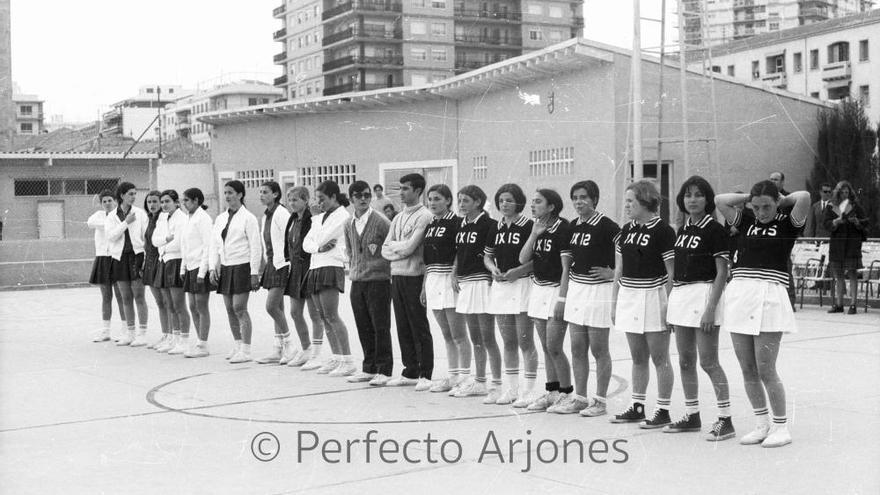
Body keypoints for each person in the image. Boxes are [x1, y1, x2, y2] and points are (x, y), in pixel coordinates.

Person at [716, 180, 811, 448]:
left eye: (766, 206)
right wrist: (749, 196)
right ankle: (761, 424)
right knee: (747, 368)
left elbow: (804, 196)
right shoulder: (745, 220)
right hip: (740, 296)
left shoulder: (787, 223)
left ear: (776, 204)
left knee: (766, 368)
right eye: (756, 207)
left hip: (770, 296)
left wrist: (781, 200)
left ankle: (781, 427)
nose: (760, 212)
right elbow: (720, 201)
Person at [665, 176, 734, 441]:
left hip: (703, 294)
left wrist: (710, 308)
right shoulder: (682, 230)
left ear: (707, 199)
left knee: (708, 361)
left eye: (698, 195)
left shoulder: (714, 230)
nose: (692, 200)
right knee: (684, 360)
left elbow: (721, 273)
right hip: (681, 296)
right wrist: (670, 302)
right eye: (687, 195)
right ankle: (692, 415)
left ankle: (725, 419)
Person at [610, 180, 676, 429]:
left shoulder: (664, 231)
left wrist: (668, 305)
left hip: (654, 296)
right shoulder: (625, 231)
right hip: (629, 296)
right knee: (638, 358)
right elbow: (619, 269)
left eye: (630, 201)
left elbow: (672, 272)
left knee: (660, 358)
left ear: (646, 201)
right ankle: (637, 407)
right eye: (626, 201)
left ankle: (663, 410)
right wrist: (615, 302)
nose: (626, 206)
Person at [561, 181, 619, 417]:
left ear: (594, 199)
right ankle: (580, 398)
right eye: (575, 197)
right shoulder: (572, 226)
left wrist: (613, 273)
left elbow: (630, 258)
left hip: (599, 292)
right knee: (577, 348)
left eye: (584, 197)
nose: (579, 202)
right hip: (577, 290)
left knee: (598, 349)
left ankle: (601, 401)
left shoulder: (608, 226)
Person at [519, 188, 574, 412]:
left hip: (556, 290)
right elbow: (523, 258)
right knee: (545, 346)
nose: (533, 205)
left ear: (551, 206)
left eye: (538, 202)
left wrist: (562, 298)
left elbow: (566, 268)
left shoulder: (563, 228)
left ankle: (566, 393)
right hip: (538, 290)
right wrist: (534, 234)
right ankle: (552, 392)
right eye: (532, 202)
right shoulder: (536, 227)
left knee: (555, 346)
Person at [483, 184, 537, 406]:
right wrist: (492, 268)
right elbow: (487, 256)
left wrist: (518, 271)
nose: (504, 204)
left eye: (509, 200)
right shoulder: (495, 227)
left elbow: (538, 260)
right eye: (501, 200)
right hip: (501, 287)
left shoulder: (528, 226)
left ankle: (530, 391)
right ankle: (512, 389)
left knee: (525, 341)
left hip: (522, 284)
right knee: (508, 341)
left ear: (519, 202)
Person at [381, 173, 435, 390]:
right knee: (402, 324)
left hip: (415, 276)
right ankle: (410, 369)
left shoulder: (425, 216)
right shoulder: (397, 218)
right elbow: (386, 249)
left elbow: (411, 248)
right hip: (398, 276)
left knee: (418, 324)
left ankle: (425, 372)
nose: (401, 192)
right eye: (400, 188)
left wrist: (398, 247)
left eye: (406, 188)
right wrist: (398, 249)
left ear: (418, 191)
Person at [301, 180, 355, 376]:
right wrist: (317, 247)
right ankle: (336, 357)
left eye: (322, 199)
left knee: (332, 315)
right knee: (323, 316)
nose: (319, 203)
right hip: (316, 265)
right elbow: (307, 243)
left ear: (333, 197)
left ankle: (348, 360)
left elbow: (322, 238)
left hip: (331, 265)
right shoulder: (322, 216)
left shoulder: (342, 216)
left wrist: (315, 221)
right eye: (317, 199)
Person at [421, 184, 469, 393]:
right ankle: (452, 376)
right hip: (433, 280)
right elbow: (427, 259)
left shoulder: (457, 223)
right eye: (430, 199)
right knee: (446, 334)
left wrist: (455, 272)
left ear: (448, 201)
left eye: (437, 199)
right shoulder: (430, 224)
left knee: (459, 334)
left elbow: (461, 250)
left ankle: (465, 377)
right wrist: (424, 286)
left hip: (450, 280)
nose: (432, 203)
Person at [344, 181, 393, 383]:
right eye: (358, 196)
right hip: (357, 281)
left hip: (378, 281)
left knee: (380, 326)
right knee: (363, 325)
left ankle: (384, 369)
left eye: (366, 195)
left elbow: (390, 247)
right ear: (351, 200)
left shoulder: (381, 221)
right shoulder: (348, 224)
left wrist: (380, 267)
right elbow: (350, 250)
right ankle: (369, 367)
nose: (363, 199)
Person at [208, 180, 262, 364]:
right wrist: (216, 264)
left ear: (240, 195)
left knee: (240, 308)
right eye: (225, 192)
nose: (227, 196)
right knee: (230, 308)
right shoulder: (221, 218)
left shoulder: (249, 218)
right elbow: (216, 244)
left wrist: (254, 272)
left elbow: (256, 246)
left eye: (231, 192)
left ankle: (246, 349)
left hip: (242, 265)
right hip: (226, 265)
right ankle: (238, 344)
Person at [451, 185, 494, 398]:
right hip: (465, 283)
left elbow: (492, 255)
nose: (460, 205)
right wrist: (453, 273)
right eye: (459, 201)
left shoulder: (488, 224)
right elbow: (459, 252)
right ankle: (479, 381)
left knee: (487, 337)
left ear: (478, 202)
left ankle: (493, 383)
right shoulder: (461, 224)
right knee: (475, 336)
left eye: (465, 201)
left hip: (482, 283)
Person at [105, 182, 149, 346]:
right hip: (119, 259)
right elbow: (111, 237)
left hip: (136, 257)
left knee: (139, 296)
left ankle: (142, 333)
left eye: (135, 193)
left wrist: (144, 259)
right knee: (125, 297)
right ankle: (130, 333)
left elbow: (145, 237)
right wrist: (126, 223)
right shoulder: (111, 216)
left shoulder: (141, 213)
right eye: (130, 193)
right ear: (122, 195)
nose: (134, 196)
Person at [255, 181, 294, 364]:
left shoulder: (282, 213)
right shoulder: (265, 216)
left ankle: (290, 345)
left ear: (276, 194)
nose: (262, 195)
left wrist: (288, 263)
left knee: (271, 307)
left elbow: (290, 238)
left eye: (266, 192)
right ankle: (278, 349)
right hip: (271, 263)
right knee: (278, 308)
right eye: (260, 192)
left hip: (282, 264)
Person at [283, 186, 322, 367]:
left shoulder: (311, 219)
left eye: (295, 200)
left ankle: (317, 353)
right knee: (294, 312)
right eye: (290, 200)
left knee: (314, 313)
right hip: (295, 268)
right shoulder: (292, 219)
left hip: (309, 266)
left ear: (306, 200)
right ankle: (306, 349)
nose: (292, 203)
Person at [152, 190, 189, 354]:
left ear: (176, 202)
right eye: (162, 202)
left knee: (178, 304)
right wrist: (166, 239)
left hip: (176, 260)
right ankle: (174, 338)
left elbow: (179, 241)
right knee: (168, 304)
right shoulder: (161, 218)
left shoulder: (182, 218)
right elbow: (155, 240)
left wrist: (165, 241)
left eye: (167, 201)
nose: (164, 205)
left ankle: (184, 339)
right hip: (163, 260)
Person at [824, 180, 869, 314]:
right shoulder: (832, 206)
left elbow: (866, 222)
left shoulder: (855, 206)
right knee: (838, 275)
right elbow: (825, 223)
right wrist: (835, 222)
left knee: (852, 274)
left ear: (850, 192)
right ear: (837, 193)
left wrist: (857, 222)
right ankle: (839, 304)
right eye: (842, 192)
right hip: (837, 244)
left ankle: (853, 305)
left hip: (851, 244)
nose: (844, 194)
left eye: (847, 192)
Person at [179, 187, 214, 358]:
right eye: (183, 200)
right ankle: (199, 340)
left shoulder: (203, 219)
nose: (184, 204)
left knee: (201, 306)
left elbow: (208, 246)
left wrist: (202, 272)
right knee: (192, 306)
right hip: (190, 266)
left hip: (201, 267)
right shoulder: (188, 218)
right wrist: (183, 267)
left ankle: (203, 344)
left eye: (186, 200)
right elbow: (185, 245)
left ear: (196, 201)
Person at [87, 190, 125, 342]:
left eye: (110, 200)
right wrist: (111, 224)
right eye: (104, 201)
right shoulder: (98, 215)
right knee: (106, 297)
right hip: (103, 258)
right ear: (101, 203)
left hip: (116, 257)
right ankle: (105, 331)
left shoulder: (120, 215)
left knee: (121, 296)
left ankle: (125, 331)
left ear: (115, 201)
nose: (107, 203)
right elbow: (90, 223)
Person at [142, 190, 172, 349]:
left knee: (168, 301)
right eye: (149, 202)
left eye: (155, 201)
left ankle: (173, 336)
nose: (152, 205)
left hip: (161, 260)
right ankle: (165, 334)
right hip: (149, 262)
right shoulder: (149, 219)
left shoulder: (164, 218)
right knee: (159, 302)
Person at [769, 171, 797, 309]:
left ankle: (790, 301)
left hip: (784, 238)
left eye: (776, 179)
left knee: (786, 268)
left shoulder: (789, 198)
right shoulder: (767, 197)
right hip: (769, 237)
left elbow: (796, 218)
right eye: (771, 179)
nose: (773, 181)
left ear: (782, 182)